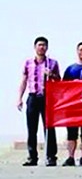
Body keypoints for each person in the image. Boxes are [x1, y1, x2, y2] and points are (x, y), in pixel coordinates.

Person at [18, 36, 61, 167]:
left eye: (44, 45)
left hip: (47, 98)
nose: (41, 47)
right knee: (32, 128)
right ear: (35, 47)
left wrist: (51, 75)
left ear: (47, 47)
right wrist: (19, 98)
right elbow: (24, 81)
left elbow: (59, 80)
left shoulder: (52, 63)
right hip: (33, 97)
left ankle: (51, 156)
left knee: (49, 127)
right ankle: (32, 157)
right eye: (39, 45)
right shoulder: (28, 63)